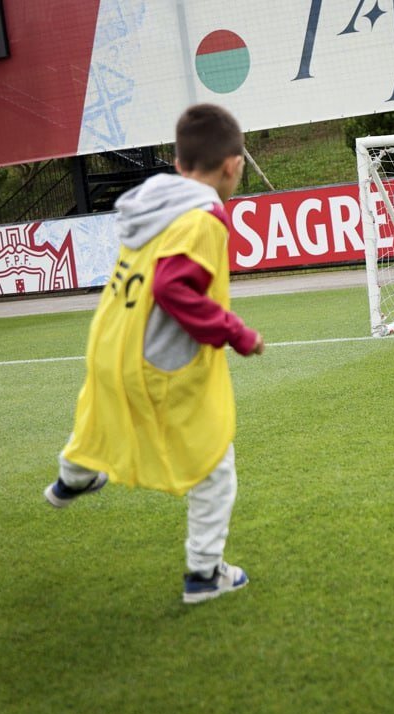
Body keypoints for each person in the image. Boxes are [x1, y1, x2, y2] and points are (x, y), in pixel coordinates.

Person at [44, 103, 264, 605]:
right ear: (232, 165)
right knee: (215, 463)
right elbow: (173, 287)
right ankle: (205, 575)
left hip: (110, 344)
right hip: (157, 361)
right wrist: (236, 332)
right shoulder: (203, 218)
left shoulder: (152, 203)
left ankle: (71, 479)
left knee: (99, 417)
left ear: (180, 162)